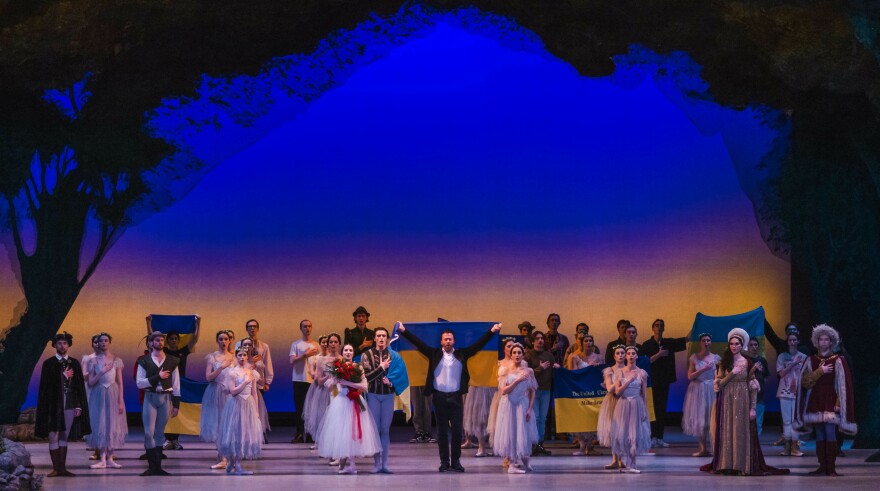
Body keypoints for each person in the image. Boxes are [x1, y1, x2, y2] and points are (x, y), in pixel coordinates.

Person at [397, 321, 502, 472]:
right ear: (441, 341)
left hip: (456, 398)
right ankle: (444, 462)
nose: (447, 341)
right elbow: (418, 343)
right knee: (441, 433)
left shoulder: (462, 354)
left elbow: (479, 344)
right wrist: (403, 330)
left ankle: (456, 462)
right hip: (439, 398)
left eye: (450, 339)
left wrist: (492, 331)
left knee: (457, 432)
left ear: (454, 341)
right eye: (445, 339)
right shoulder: (433, 353)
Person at [700, 328, 788, 476]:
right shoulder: (724, 362)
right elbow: (719, 384)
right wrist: (732, 373)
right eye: (732, 344)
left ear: (742, 345)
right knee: (727, 431)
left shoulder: (747, 362)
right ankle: (726, 465)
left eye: (737, 344)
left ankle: (742, 465)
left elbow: (753, 386)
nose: (734, 346)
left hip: (742, 400)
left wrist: (753, 408)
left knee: (741, 432)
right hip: (726, 401)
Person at [797, 324, 856, 477]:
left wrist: (838, 404)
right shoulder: (811, 360)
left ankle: (831, 468)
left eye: (826, 339)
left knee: (830, 432)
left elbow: (842, 384)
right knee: (820, 433)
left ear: (831, 342)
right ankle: (822, 466)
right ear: (817, 341)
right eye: (821, 339)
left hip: (830, 398)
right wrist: (819, 372)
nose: (823, 342)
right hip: (816, 399)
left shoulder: (838, 360)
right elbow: (805, 382)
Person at [317, 344, 382, 474]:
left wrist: (347, 383)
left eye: (350, 350)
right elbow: (328, 384)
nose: (348, 352)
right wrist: (334, 380)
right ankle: (346, 465)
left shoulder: (358, 367)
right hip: (341, 401)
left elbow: (365, 386)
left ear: (353, 353)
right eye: (346, 350)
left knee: (352, 432)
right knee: (343, 432)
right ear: (343, 352)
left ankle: (351, 465)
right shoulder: (338, 368)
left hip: (354, 401)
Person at [35, 332, 91, 477]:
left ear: (68, 345)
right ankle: (55, 468)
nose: (62, 345)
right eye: (59, 343)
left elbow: (79, 386)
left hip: (70, 403)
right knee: (53, 434)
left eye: (65, 343)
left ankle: (62, 469)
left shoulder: (74, 363)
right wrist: (62, 376)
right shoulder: (49, 363)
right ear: (55, 345)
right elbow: (45, 387)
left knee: (64, 436)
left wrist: (79, 404)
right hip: (54, 405)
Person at [146, 314, 200, 451]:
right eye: (171, 339)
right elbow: (151, 338)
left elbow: (195, 339)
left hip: (180, 385)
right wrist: (148, 323)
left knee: (178, 413)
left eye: (176, 338)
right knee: (165, 412)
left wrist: (198, 323)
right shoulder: (164, 352)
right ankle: (166, 440)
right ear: (167, 341)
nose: (174, 340)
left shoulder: (183, 351)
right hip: (165, 385)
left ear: (178, 340)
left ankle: (175, 440)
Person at [135, 331, 181, 476]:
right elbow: (139, 383)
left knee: (160, 433)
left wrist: (176, 404)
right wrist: (157, 377)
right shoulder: (144, 361)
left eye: (162, 340)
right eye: (156, 340)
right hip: (150, 397)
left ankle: (157, 467)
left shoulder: (172, 361)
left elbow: (176, 384)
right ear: (150, 343)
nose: (160, 342)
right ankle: (151, 465)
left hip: (165, 398)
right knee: (149, 433)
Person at [492, 343, 538, 474]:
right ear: (511, 355)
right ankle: (512, 463)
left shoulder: (528, 371)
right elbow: (504, 391)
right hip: (509, 405)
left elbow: (532, 390)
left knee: (524, 432)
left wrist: (529, 408)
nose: (517, 355)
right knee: (511, 432)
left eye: (519, 352)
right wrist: (517, 381)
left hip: (522, 404)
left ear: (523, 354)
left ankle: (525, 459)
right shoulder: (505, 371)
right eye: (514, 353)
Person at [641, 318, 687, 448]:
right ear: (652, 328)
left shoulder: (669, 343)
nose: (659, 327)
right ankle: (651, 437)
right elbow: (645, 361)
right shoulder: (647, 344)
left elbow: (686, 339)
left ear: (664, 328)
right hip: (651, 381)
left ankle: (659, 437)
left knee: (661, 409)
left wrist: (697, 322)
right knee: (652, 410)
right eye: (657, 325)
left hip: (664, 380)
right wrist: (659, 354)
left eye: (661, 325)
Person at [217, 347, 263, 475]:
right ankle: (234, 463)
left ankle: (235, 462)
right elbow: (233, 391)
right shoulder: (232, 373)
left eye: (244, 355)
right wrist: (244, 383)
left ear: (247, 357)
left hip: (247, 405)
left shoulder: (251, 373)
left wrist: (256, 411)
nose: (242, 357)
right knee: (235, 433)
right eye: (240, 355)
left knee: (244, 434)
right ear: (236, 357)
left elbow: (254, 393)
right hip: (236, 405)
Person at [85, 332, 128, 469]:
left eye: (106, 340)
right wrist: (102, 371)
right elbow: (91, 382)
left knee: (112, 423)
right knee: (100, 423)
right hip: (99, 393)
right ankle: (102, 458)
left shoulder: (116, 360)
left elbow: (120, 382)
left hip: (113, 393)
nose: (103, 343)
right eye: (101, 341)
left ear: (109, 342)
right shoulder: (93, 360)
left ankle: (110, 458)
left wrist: (121, 400)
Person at [360, 327, 396, 473]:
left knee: (385, 429)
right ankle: (376, 464)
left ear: (387, 338)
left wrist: (391, 382)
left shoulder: (394, 355)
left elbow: (398, 375)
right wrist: (381, 368)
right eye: (378, 336)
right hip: (373, 394)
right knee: (375, 430)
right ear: (374, 338)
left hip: (388, 395)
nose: (381, 338)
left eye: (384, 336)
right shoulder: (366, 355)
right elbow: (366, 377)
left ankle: (385, 464)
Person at [610, 345, 651, 473]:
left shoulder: (642, 373)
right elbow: (617, 392)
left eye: (633, 353)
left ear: (637, 356)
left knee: (634, 433)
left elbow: (644, 394)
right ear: (626, 356)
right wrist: (628, 381)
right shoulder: (620, 372)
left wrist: (644, 409)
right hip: (623, 404)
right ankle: (625, 462)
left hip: (636, 404)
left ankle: (632, 464)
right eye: (629, 354)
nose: (631, 355)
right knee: (624, 433)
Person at [681, 333, 720, 457]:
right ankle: (702, 448)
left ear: (711, 342)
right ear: (700, 343)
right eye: (704, 340)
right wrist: (704, 369)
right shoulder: (695, 358)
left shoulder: (716, 358)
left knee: (712, 417)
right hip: (698, 388)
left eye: (708, 340)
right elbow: (690, 376)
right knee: (700, 418)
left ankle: (715, 447)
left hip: (711, 388)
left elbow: (719, 375)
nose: (706, 343)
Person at [201, 330, 234, 469]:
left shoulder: (234, 357)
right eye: (220, 339)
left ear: (229, 340)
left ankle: (229, 457)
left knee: (229, 425)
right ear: (217, 341)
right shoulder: (212, 357)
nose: (223, 341)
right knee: (218, 424)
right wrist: (221, 367)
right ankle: (222, 457)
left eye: (226, 339)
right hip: (215, 392)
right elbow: (208, 377)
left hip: (229, 393)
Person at [567, 334, 603, 456]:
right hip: (580, 391)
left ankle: (591, 446)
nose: (588, 342)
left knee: (592, 418)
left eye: (590, 341)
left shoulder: (599, 357)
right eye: (586, 341)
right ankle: (582, 446)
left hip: (593, 391)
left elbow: (602, 374)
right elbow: (572, 374)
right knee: (581, 418)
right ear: (581, 343)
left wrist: (597, 369)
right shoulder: (574, 357)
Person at [524, 330, 558, 456]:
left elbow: (553, 369)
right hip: (532, 391)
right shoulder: (527, 356)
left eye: (542, 338)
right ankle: (532, 443)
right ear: (533, 341)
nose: (540, 340)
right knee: (535, 417)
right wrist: (540, 368)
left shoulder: (549, 356)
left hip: (546, 390)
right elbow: (525, 373)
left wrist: (557, 367)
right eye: (537, 338)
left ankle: (540, 444)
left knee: (542, 418)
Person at [776, 331, 807, 457]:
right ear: (787, 342)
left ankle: (795, 447)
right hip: (784, 390)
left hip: (798, 392)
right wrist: (794, 363)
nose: (792, 342)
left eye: (795, 340)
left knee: (796, 420)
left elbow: (806, 375)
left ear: (798, 342)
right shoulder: (782, 357)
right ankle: (787, 447)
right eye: (790, 340)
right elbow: (781, 373)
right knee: (786, 420)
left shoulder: (804, 357)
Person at [289, 319, 319, 444]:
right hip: (299, 379)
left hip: (312, 380)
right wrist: (305, 355)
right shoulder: (296, 344)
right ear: (301, 328)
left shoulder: (316, 345)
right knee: (300, 408)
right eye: (304, 326)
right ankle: (300, 433)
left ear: (311, 328)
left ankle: (311, 433)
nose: (307, 328)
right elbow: (292, 361)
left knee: (312, 408)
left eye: (309, 326)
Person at [599, 345, 626, 470]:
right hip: (613, 401)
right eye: (618, 353)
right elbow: (610, 389)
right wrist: (619, 380)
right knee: (614, 429)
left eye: (622, 353)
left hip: (625, 401)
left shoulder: (629, 369)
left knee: (623, 430)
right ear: (614, 356)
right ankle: (615, 459)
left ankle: (622, 459)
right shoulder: (609, 370)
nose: (620, 355)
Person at [302, 335, 329, 445]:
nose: (325, 344)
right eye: (323, 342)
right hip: (318, 387)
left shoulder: (333, 358)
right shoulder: (314, 359)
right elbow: (312, 372)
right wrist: (318, 375)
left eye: (327, 342)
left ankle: (327, 440)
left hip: (331, 387)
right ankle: (318, 440)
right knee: (319, 413)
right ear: (320, 344)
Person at [237, 319, 274, 398]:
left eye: (254, 326)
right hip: (243, 380)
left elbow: (268, 363)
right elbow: (236, 361)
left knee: (258, 406)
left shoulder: (264, 346)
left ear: (258, 329)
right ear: (246, 329)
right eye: (250, 326)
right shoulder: (239, 344)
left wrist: (267, 382)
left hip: (259, 380)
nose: (252, 328)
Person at [745, 337, 769, 436]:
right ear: (747, 346)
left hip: (759, 395)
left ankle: (756, 447)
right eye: (751, 345)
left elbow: (766, 377)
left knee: (758, 422)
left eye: (755, 345)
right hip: (746, 394)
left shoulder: (762, 360)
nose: (754, 347)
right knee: (746, 422)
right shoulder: (744, 360)